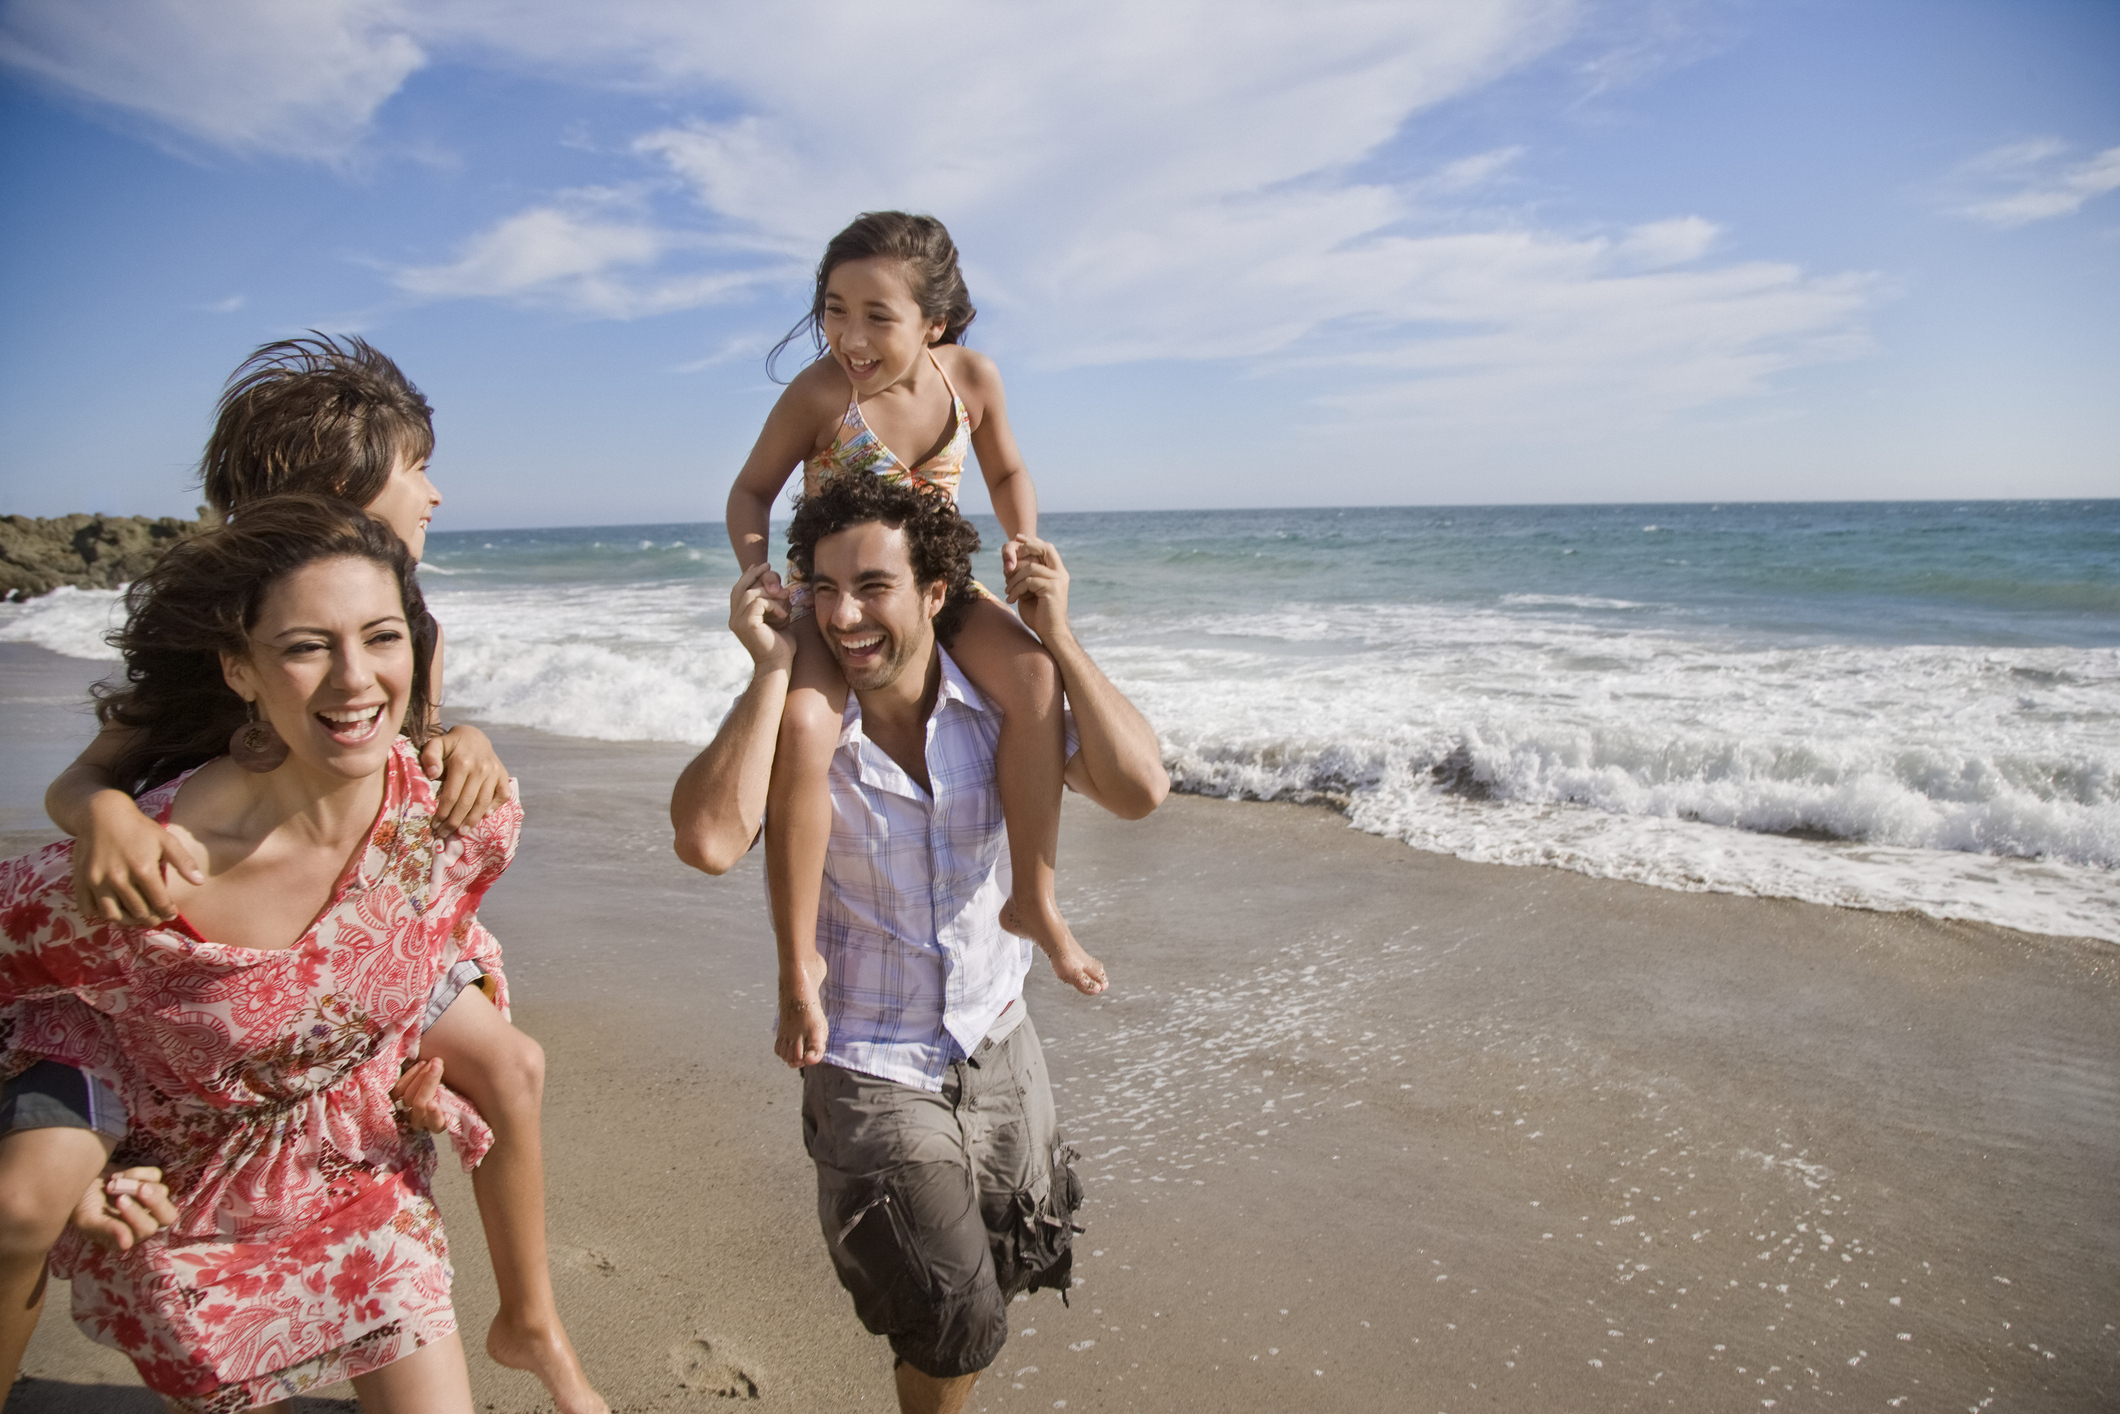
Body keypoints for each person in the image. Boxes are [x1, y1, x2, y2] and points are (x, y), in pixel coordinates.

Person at [23, 337, 604, 1414]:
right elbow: (84, 783)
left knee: (508, 1066)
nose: (436, 487)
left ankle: (529, 1319)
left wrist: (464, 738)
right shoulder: (235, 629)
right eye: (413, 464)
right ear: (340, 488)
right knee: (44, 1185)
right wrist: (104, 812)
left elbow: (410, 763)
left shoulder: (399, 621)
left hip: (375, 927)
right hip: (205, 948)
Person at [1, 495, 512, 1411]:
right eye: (306, 646)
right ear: (240, 669)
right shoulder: (145, 877)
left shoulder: (456, 818)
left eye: (382, 637)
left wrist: (414, 1060)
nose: (355, 679)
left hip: (357, 1183)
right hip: (179, 1211)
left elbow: (436, 942)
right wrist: (74, 1156)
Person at [671, 476, 1167, 1413]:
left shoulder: (1000, 713)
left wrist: (1057, 636)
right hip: (866, 1058)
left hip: (997, 1033)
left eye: (873, 586)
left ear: (936, 594)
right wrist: (771, 668)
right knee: (955, 1320)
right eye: (824, 587)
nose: (844, 615)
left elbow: (1140, 788)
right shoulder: (807, 727)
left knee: (1012, 1260)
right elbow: (704, 841)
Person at [726, 212, 1104, 1076]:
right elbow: (749, 492)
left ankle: (1035, 901)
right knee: (809, 729)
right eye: (833, 310)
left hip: (934, 584)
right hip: (839, 600)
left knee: (1037, 677)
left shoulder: (969, 377)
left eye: (877, 316)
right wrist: (762, 576)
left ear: (933, 323)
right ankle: (800, 957)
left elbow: (1006, 470)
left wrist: (1022, 534)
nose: (850, 337)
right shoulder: (824, 394)